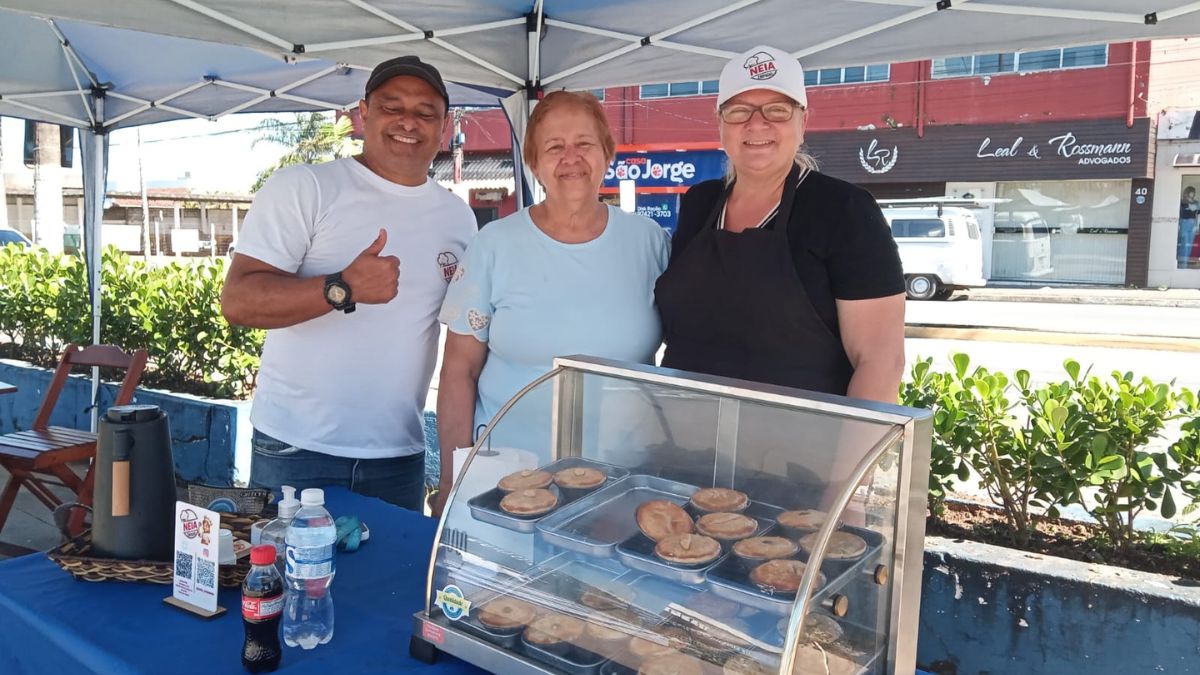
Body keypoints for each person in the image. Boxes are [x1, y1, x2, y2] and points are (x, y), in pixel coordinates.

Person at [221, 56, 477, 511]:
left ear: (444, 126)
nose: (408, 123)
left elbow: (468, 337)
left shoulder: (458, 216)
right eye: (392, 107)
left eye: (425, 112)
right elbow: (238, 302)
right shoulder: (306, 188)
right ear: (363, 114)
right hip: (296, 448)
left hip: (399, 455)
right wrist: (341, 288)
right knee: (283, 580)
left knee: (392, 583)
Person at [433, 91, 670, 516]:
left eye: (584, 144)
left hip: (623, 480)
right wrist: (453, 478)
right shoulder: (494, 246)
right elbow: (457, 372)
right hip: (509, 479)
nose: (571, 158)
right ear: (534, 162)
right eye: (554, 147)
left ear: (607, 153)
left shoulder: (650, 241)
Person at [655, 45, 906, 404]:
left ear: (803, 122)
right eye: (739, 111)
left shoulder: (844, 210)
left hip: (801, 448)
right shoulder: (700, 203)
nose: (757, 124)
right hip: (681, 438)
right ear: (720, 125)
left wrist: (850, 458)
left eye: (777, 110)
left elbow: (880, 361)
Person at [1180, 185, 1198, 268]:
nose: (1192, 193)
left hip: (1193, 224)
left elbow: (1198, 215)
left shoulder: (1196, 202)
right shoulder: (1182, 202)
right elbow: (1180, 214)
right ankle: (1182, 265)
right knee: (1185, 245)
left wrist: (1196, 225)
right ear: (1187, 192)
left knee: (1189, 245)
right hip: (1184, 224)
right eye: (1191, 191)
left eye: (1193, 192)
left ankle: (1185, 264)